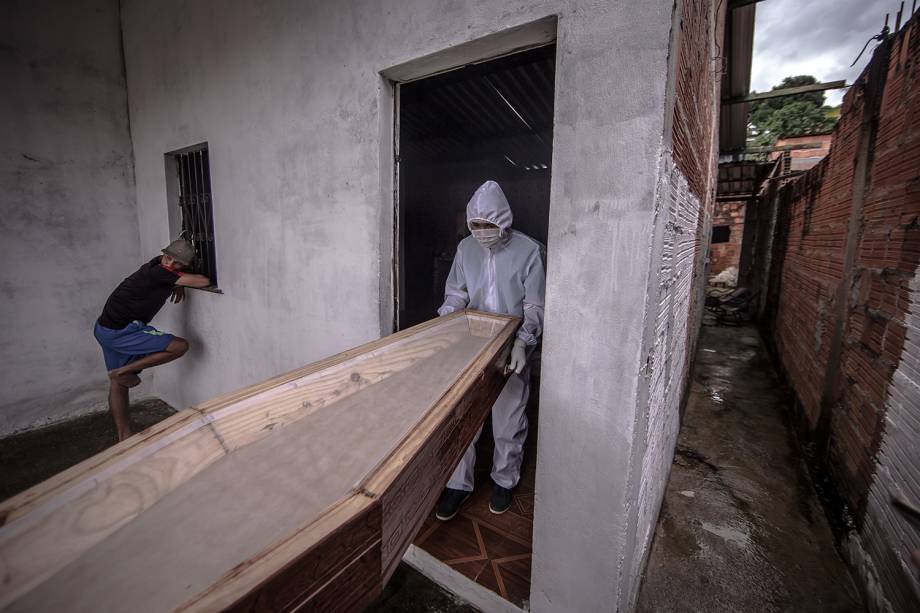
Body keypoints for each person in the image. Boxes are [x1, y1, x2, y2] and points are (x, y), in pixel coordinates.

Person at [435, 180, 546, 519]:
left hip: (511, 346)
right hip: (472, 347)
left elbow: (535, 306)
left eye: (488, 225)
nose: (481, 232)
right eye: (476, 225)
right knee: (465, 416)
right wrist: (446, 324)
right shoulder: (466, 249)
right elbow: (456, 294)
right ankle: (458, 484)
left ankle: (504, 480)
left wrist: (524, 342)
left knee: (509, 416)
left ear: (503, 220)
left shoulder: (529, 251)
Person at [93, 239, 211, 441]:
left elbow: (168, 275)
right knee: (179, 346)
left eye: (178, 264)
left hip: (104, 329)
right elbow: (203, 281)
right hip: (122, 332)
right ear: (163, 254)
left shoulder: (156, 265)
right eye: (168, 258)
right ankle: (125, 371)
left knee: (117, 383)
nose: (170, 265)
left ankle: (124, 437)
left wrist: (176, 282)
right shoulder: (158, 272)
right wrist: (178, 279)